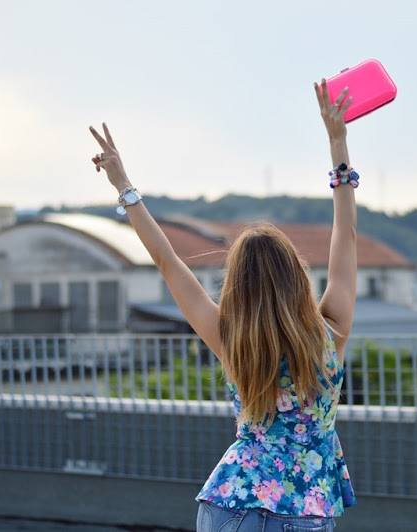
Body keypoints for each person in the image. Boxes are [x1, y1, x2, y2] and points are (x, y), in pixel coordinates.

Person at [89, 78, 357, 532]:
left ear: (237, 287)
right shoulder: (331, 331)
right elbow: (345, 235)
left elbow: (168, 262)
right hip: (304, 514)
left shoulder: (232, 341)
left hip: (229, 503)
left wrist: (124, 185)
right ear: (295, 275)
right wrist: (338, 144)